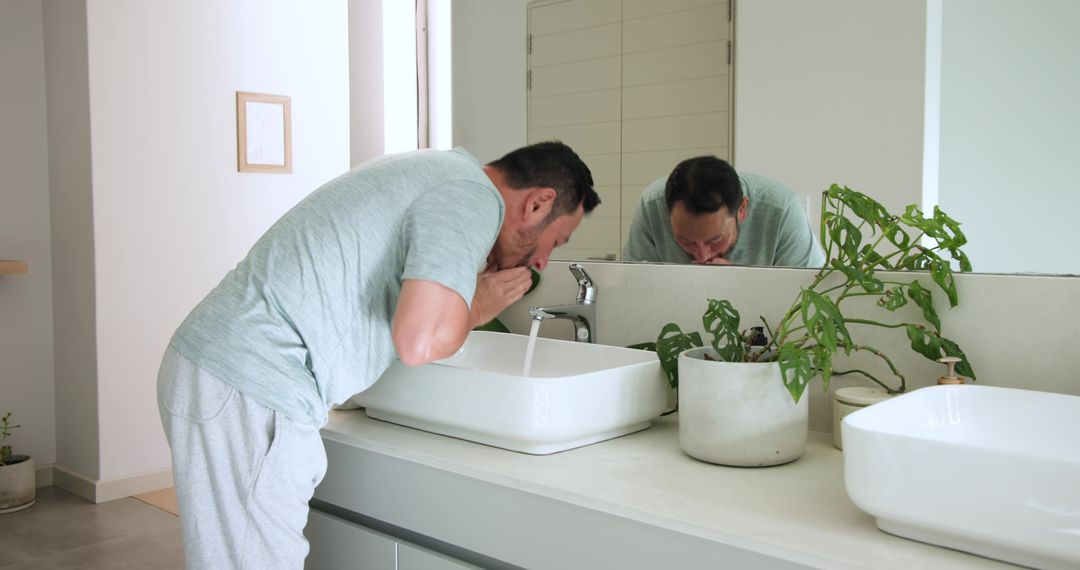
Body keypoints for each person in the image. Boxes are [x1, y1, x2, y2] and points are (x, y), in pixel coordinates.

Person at [157, 141, 599, 569]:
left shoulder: (442, 173)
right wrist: (475, 307)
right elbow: (418, 339)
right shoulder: (471, 198)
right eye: (556, 242)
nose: (543, 263)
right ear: (539, 203)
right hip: (253, 383)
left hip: (229, 370)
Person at [622, 155, 824, 267]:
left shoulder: (782, 211)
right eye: (685, 241)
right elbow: (633, 292)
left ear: (742, 210)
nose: (701, 257)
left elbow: (808, 298)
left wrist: (735, 284)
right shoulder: (651, 206)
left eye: (714, 240)